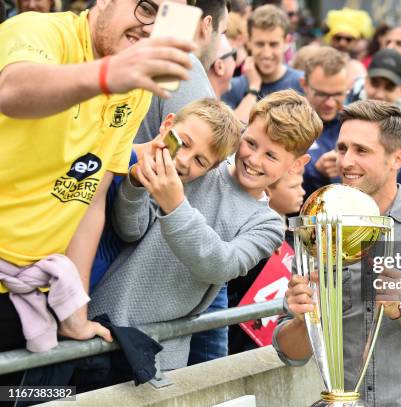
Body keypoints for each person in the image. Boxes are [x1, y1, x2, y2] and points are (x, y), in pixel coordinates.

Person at [0, 0, 195, 384]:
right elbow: (12, 88)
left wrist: (75, 310)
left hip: (35, 296)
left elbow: (89, 198)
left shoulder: (136, 87)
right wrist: (109, 74)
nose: (152, 27)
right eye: (145, 8)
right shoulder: (39, 31)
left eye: (168, 18)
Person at [89, 90, 321, 371]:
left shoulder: (267, 224)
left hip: (155, 353)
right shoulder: (201, 164)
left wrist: (174, 204)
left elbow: (219, 265)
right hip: (101, 320)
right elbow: (130, 230)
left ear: (297, 164)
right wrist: (136, 186)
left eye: (271, 155)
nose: (253, 159)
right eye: (250, 143)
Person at [273, 100, 401, 407]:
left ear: (397, 158)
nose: (345, 161)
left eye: (362, 150)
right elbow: (289, 354)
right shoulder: (320, 226)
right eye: (342, 148)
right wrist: (306, 319)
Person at [227, 170, 305, 354]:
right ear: (268, 191)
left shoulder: (299, 236)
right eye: (294, 186)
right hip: (243, 340)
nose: (302, 191)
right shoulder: (254, 237)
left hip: (279, 336)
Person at [135, 0, 229, 144]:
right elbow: (206, 158)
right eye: (222, 34)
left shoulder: (143, 52)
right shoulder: (185, 66)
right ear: (207, 25)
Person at [222, 4, 303, 123]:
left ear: (286, 42)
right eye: (260, 44)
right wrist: (253, 88)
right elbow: (231, 135)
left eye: (273, 44)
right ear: (248, 42)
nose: (267, 53)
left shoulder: (301, 83)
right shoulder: (232, 87)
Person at [301, 46, 349, 198]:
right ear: (304, 85)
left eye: (337, 95)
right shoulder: (286, 123)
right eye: (321, 94)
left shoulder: (356, 124)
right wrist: (316, 172)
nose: (330, 103)